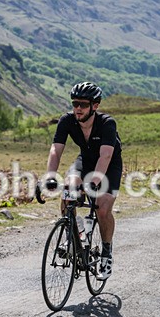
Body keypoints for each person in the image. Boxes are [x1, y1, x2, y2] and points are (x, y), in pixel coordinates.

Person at [43, 82, 123, 281]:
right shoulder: (67, 121)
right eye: (75, 103)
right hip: (85, 161)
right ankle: (75, 232)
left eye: (83, 104)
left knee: (102, 208)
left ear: (94, 105)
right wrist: (50, 176)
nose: (77, 108)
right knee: (69, 189)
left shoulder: (107, 123)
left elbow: (105, 156)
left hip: (109, 165)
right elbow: (56, 149)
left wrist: (94, 182)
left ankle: (106, 253)